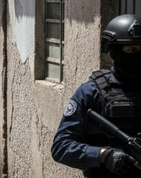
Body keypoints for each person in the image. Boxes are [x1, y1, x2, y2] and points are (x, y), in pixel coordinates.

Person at [51, 14, 141, 177]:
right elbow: (61, 147)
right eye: (131, 50)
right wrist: (103, 155)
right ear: (114, 52)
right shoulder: (91, 92)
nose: (137, 56)